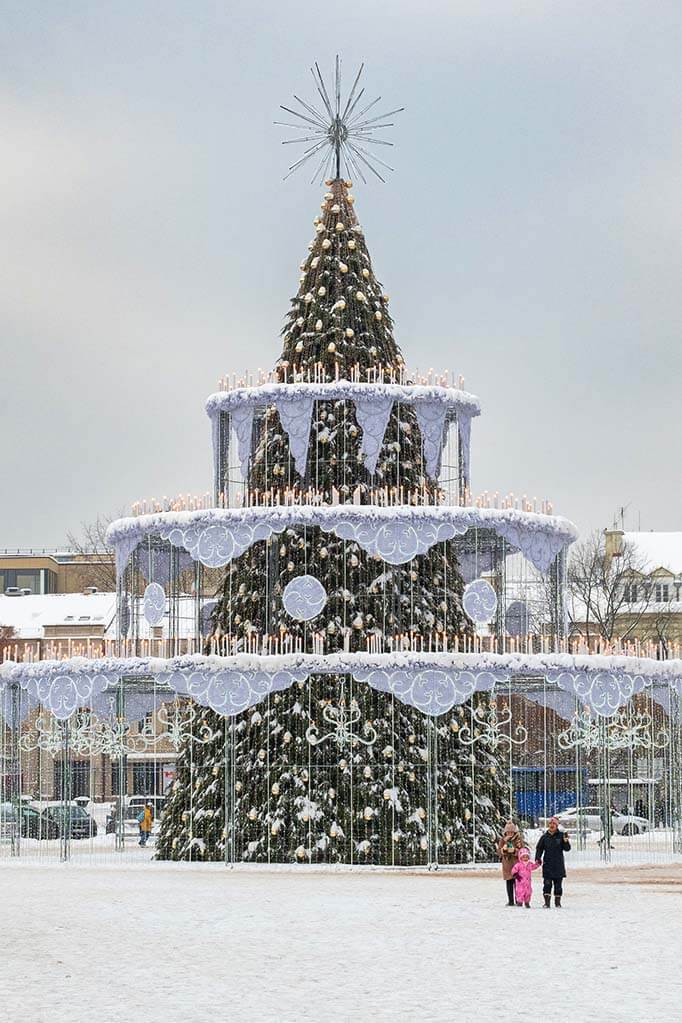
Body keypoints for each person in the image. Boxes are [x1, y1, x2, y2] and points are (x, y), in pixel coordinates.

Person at [535, 815, 570, 907]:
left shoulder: (561, 836)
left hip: (558, 865)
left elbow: (567, 849)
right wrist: (538, 858)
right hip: (548, 865)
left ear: (557, 825)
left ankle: (557, 903)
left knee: (558, 886)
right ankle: (547, 903)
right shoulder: (544, 837)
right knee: (547, 884)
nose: (552, 825)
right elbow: (539, 848)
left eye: (554, 823)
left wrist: (566, 841)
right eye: (550, 823)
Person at [497, 819, 524, 906]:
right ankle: (510, 900)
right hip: (507, 865)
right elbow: (498, 852)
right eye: (508, 832)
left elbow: (523, 851)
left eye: (511, 832)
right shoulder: (502, 840)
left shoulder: (518, 840)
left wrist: (515, 851)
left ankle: (518, 900)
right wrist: (503, 850)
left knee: (517, 883)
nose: (510, 834)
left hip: (516, 865)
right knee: (509, 883)